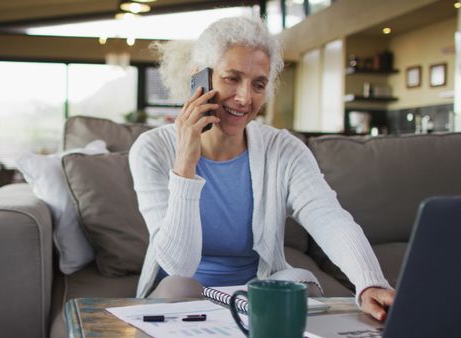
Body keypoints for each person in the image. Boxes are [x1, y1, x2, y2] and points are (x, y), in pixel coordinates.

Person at [128, 15, 395, 321]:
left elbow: (329, 218)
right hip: (179, 296)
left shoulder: (283, 149)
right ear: (199, 79)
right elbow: (178, 266)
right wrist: (186, 164)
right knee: (179, 286)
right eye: (232, 78)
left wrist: (370, 283)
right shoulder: (151, 150)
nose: (245, 98)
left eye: (258, 84)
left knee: (299, 282)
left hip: (253, 293)